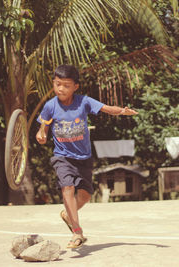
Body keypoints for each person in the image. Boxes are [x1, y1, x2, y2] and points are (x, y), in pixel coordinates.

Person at [36, 65, 138, 248]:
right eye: (57, 84)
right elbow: (42, 129)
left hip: (84, 157)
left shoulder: (83, 102)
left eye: (66, 85)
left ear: (75, 87)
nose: (61, 89)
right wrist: (41, 135)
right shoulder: (50, 106)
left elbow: (105, 108)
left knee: (85, 195)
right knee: (67, 186)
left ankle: (68, 214)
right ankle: (77, 232)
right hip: (62, 156)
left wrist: (122, 111)